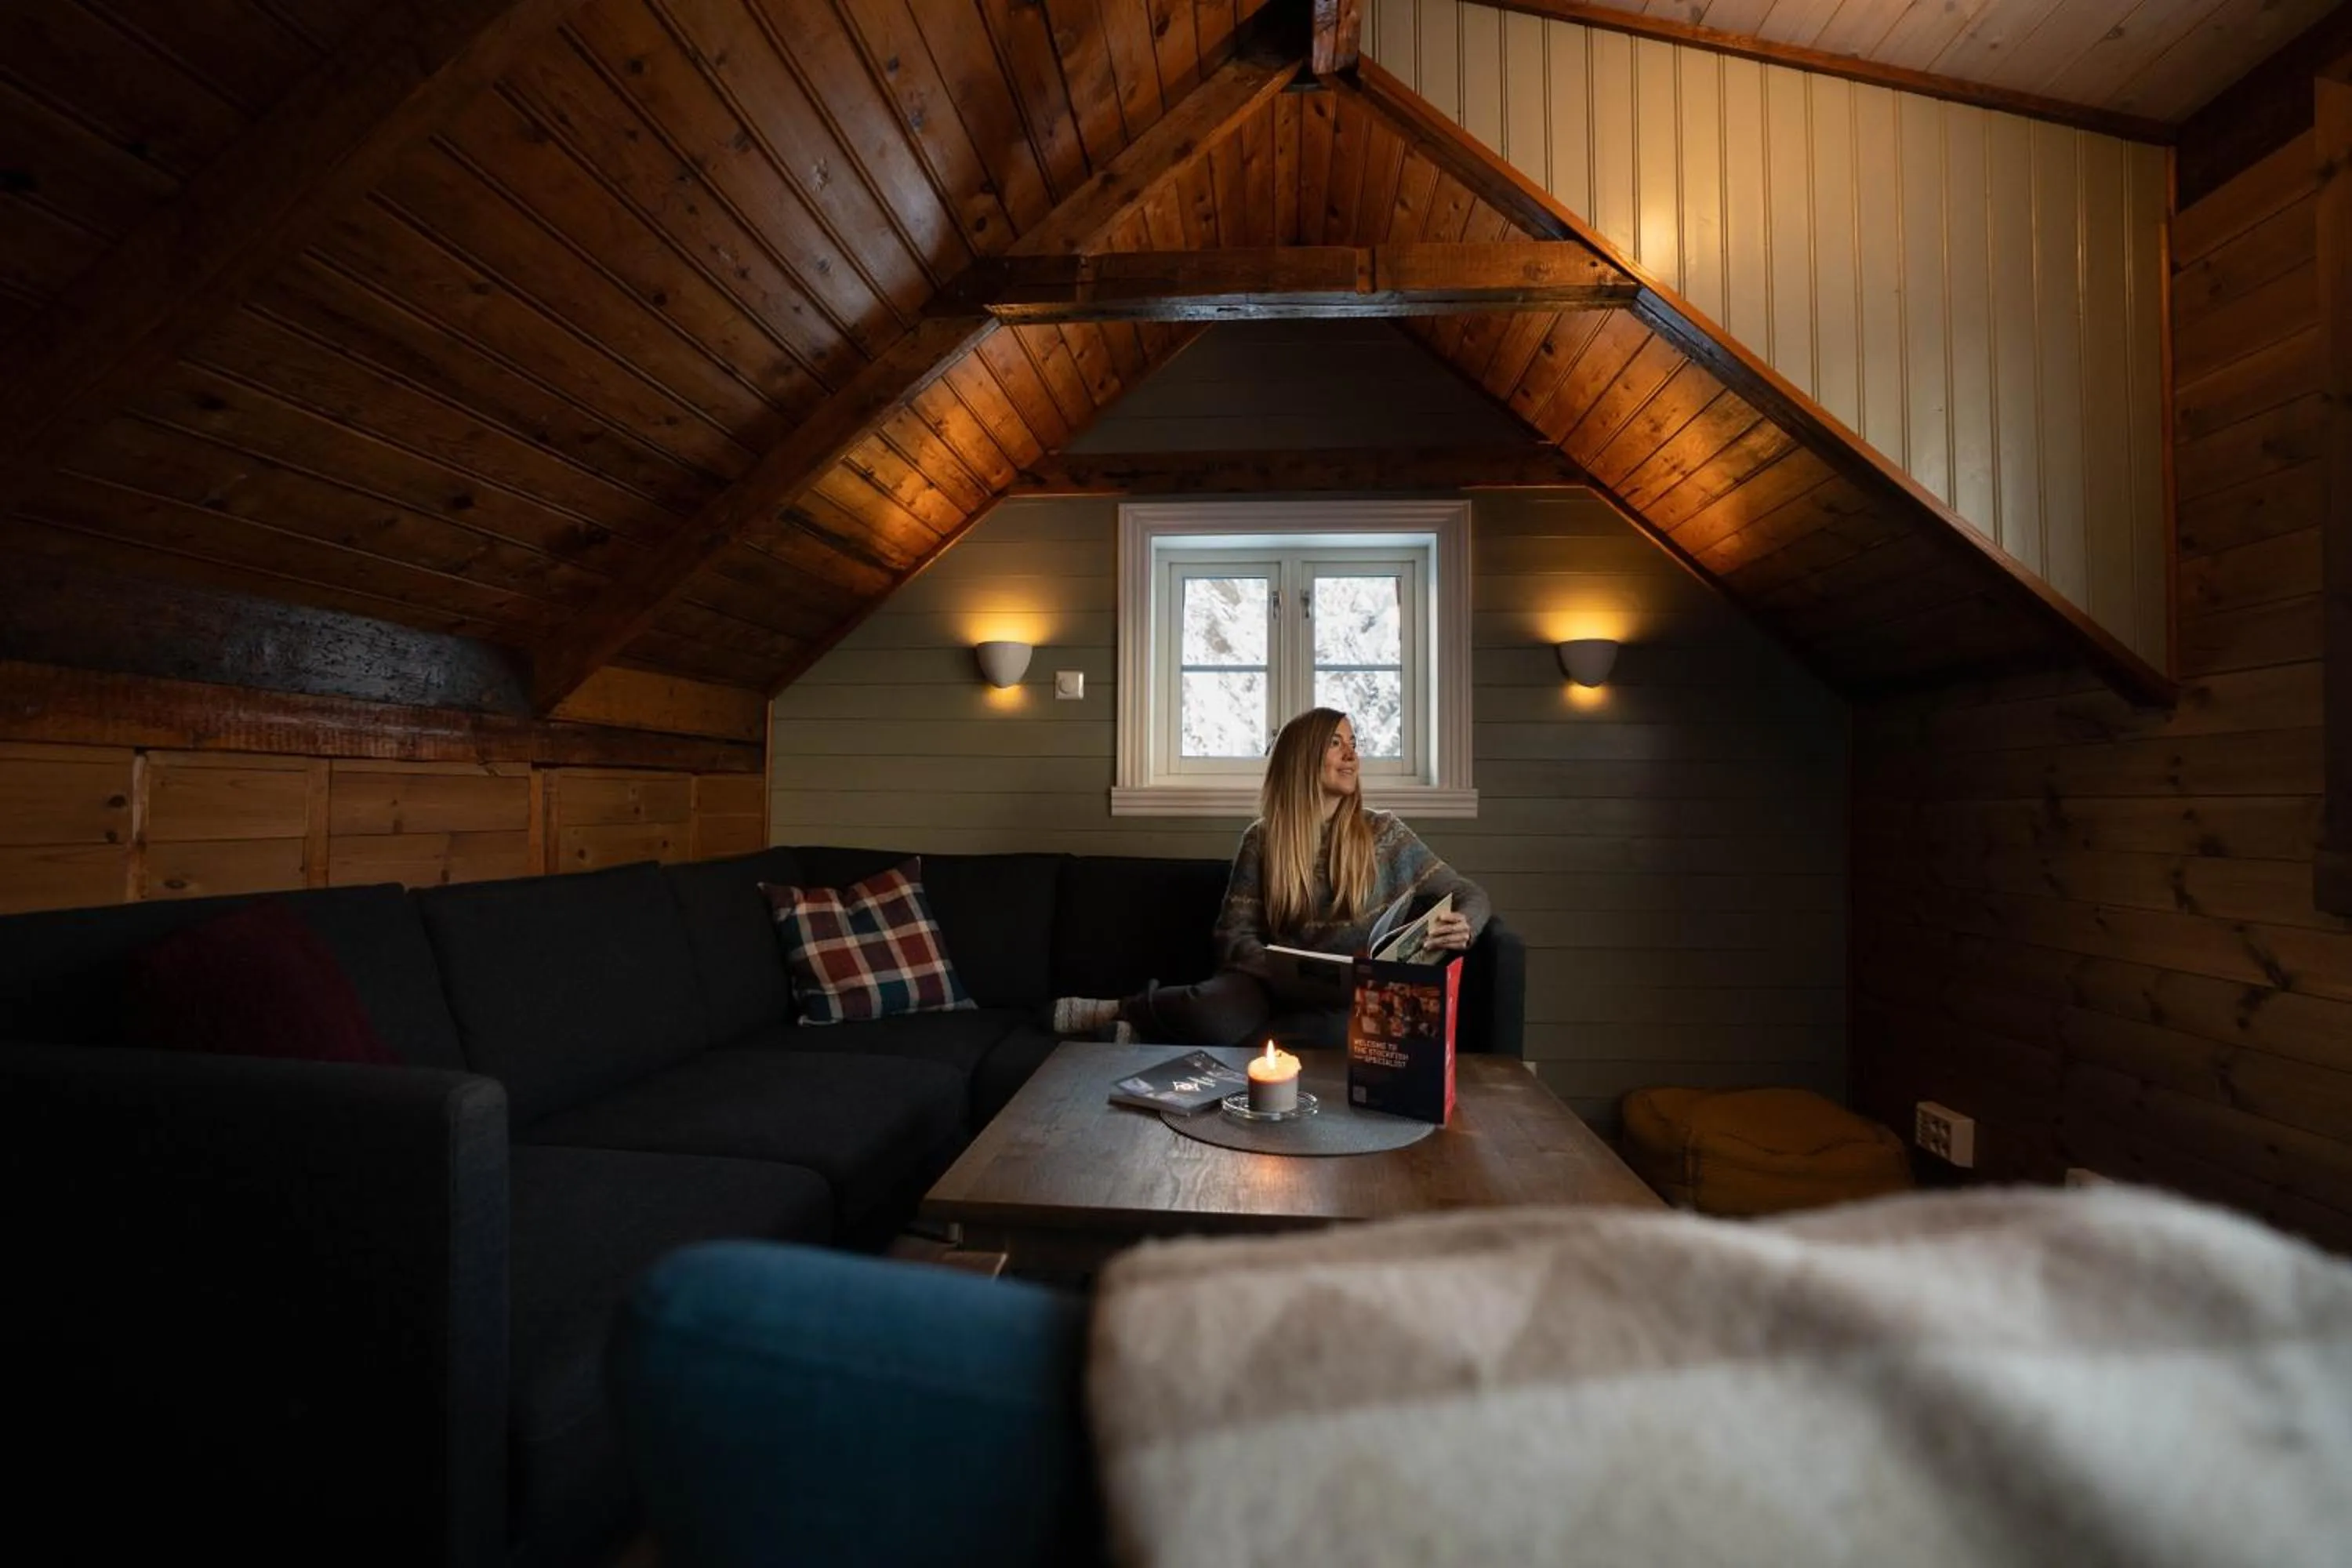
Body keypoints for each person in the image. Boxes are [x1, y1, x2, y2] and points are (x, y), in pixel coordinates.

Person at [1053, 706, 1490, 1046]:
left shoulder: (1386, 833)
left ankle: (1146, 1037)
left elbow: (1467, 892)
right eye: (1336, 744)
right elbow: (1232, 936)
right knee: (1210, 1010)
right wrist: (1283, 970)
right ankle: (1122, 1010)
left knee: (1345, 1036)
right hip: (1264, 986)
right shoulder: (1262, 839)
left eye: (1354, 742)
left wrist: (1466, 921)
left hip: (1346, 997)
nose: (1352, 755)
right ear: (1303, 759)